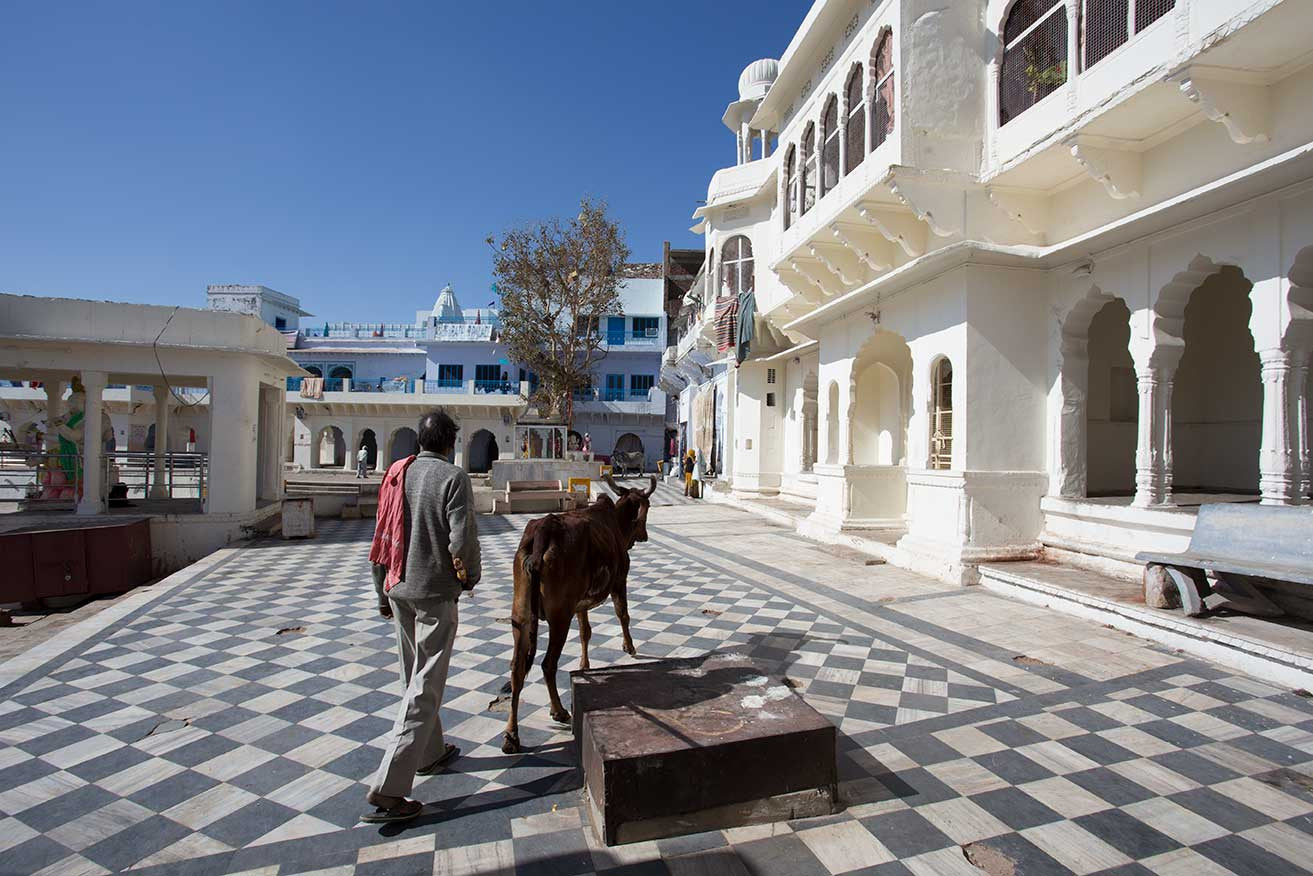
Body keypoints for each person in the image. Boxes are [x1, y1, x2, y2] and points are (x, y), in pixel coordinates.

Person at [364, 409, 481, 824]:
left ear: (419, 440)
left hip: (397, 586)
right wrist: (470, 578)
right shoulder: (452, 478)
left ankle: (430, 753)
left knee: (413, 677)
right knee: (426, 686)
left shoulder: (397, 472)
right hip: (433, 593)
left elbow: (381, 532)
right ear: (450, 443)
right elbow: (462, 540)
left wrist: (381, 590)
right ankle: (390, 790)